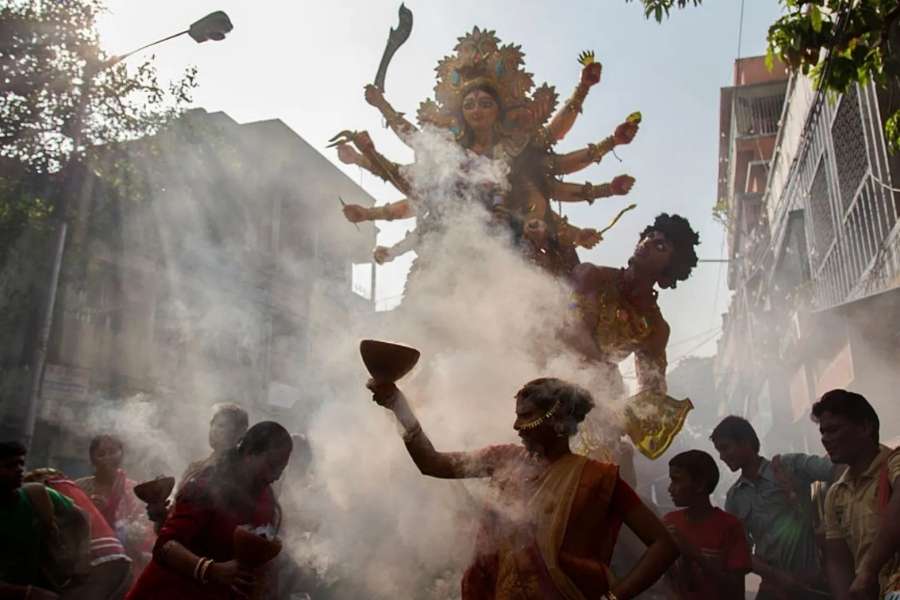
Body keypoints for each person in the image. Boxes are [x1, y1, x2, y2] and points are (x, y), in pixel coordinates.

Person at [335, 28, 639, 276]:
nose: (476, 110)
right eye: (469, 104)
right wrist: (379, 114)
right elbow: (416, 179)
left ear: (498, 109)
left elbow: (558, 152)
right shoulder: (448, 156)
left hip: (510, 251)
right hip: (449, 251)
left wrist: (604, 134)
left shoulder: (519, 148)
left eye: (485, 103)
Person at [367, 376, 678, 599]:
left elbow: (664, 545)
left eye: (526, 417)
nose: (516, 426)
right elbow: (432, 464)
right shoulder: (503, 459)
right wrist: (399, 407)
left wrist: (614, 597)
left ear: (557, 419)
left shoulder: (596, 478)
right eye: (516, 417)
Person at [569, 213, 699, 460]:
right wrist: (604, 386)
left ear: (669, 270)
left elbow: (652, 387)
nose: (648, 243)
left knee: (615, 457)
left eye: (660, 245)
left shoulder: (656, 328)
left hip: (599, 394)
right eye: (649, 236)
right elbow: (575, 333)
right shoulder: (591, 276)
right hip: (550, 367)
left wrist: (625, 415)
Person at [125, 421, 293, 600]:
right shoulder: (208, 485)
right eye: (271, 465)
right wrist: (210, 570)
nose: (275, 476)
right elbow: (165, 546)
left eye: (281, 469)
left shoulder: (265, 496)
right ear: (250, 454)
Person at [712, 415, 834, 599]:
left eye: (725, 448)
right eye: (719, 451)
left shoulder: (789, 466)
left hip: (810, 585)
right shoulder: (734, 497)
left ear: (746, 442)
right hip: (772, 589)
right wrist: (776, 576)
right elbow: (741, 550)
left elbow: (833, 468)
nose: (722, 456)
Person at [812, 389, 900, 599]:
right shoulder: (835, 494)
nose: (825, 439)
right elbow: (838, 561)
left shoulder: (894, 463)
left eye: (833, 430)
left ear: (864, 427)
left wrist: (868, 571)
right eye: (822, 432)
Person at [25, 468, 132, 600]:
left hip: (96, 558)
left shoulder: (45, 489)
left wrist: (83, 558)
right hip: (117, 556)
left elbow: (83, 516)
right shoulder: (70, 486)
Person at [662, 449, 751, 599]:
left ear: (700, 484)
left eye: (677, 480)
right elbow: (666, 582)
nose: (670, 489)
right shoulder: (669, 522)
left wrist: (696, 556)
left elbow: (737, 593)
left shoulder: (730, 527)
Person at [0, 441, 75, 600]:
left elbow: (80, 516)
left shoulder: (37, 495)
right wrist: (26, 593)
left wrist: (80, 558)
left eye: (21, 463)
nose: (19, 470)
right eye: (9, 466)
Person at [76, 434, 154, 575]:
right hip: (89, 561)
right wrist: (92, 512)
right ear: (92, 459)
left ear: (122, 455)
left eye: (113, 452)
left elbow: (143, 530)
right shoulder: (80, 488)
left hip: (127, 561)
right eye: (101, 454)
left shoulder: (135, 490)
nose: (107, 458)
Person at [179, 403, 249, 491]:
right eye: (212, 424)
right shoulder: (196, 466)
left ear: (240, 432)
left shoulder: (240, 470)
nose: (213, 430)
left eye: (221, 426)